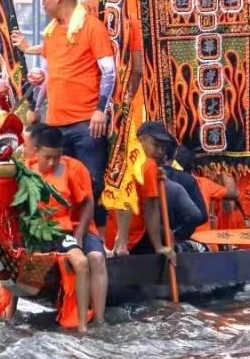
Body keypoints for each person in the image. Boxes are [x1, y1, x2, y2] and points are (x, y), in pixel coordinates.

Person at [11, 0, 116, 224]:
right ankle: (64, 237)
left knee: (91, 184)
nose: (42, 2)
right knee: (56, 183)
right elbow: (49, 74)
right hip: (55, 124)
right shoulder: (51, 33)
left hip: (86, 123)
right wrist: (35, 107)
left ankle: (95, 241)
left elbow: (109, 71)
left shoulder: (92, 27)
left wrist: (100, 109)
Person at [29, 125, 105, 331]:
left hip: (67, 230)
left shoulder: (71, 169)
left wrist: (79, 235)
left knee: (86, 261)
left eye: (57, 156)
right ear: (36, 152)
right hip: (37, 232)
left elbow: (88, 201)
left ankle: (88, 323)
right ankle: (6, 317)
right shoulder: (25, 170)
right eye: (47, 157)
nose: (52, 162)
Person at [105, 121, 174, 263]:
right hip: (133, 238)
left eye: (163, 147)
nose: (160, 151)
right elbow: (151, 208)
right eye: (155, 145)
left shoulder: (120, 156)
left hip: (111, 236)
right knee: (170, 237)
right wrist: (159, 247)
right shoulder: (147, 164)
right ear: (141, 139)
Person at [86, 0, 144, 105]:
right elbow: (138, 70)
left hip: (83, 101)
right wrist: (128, 98)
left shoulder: (78, 14)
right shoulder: (130, 20)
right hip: (115, 102)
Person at [163, 145, 210, 240]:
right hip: (182, 240)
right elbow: (201, 215)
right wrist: (178, 235)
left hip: (142, 243)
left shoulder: (142, 177)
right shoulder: (189, 179)